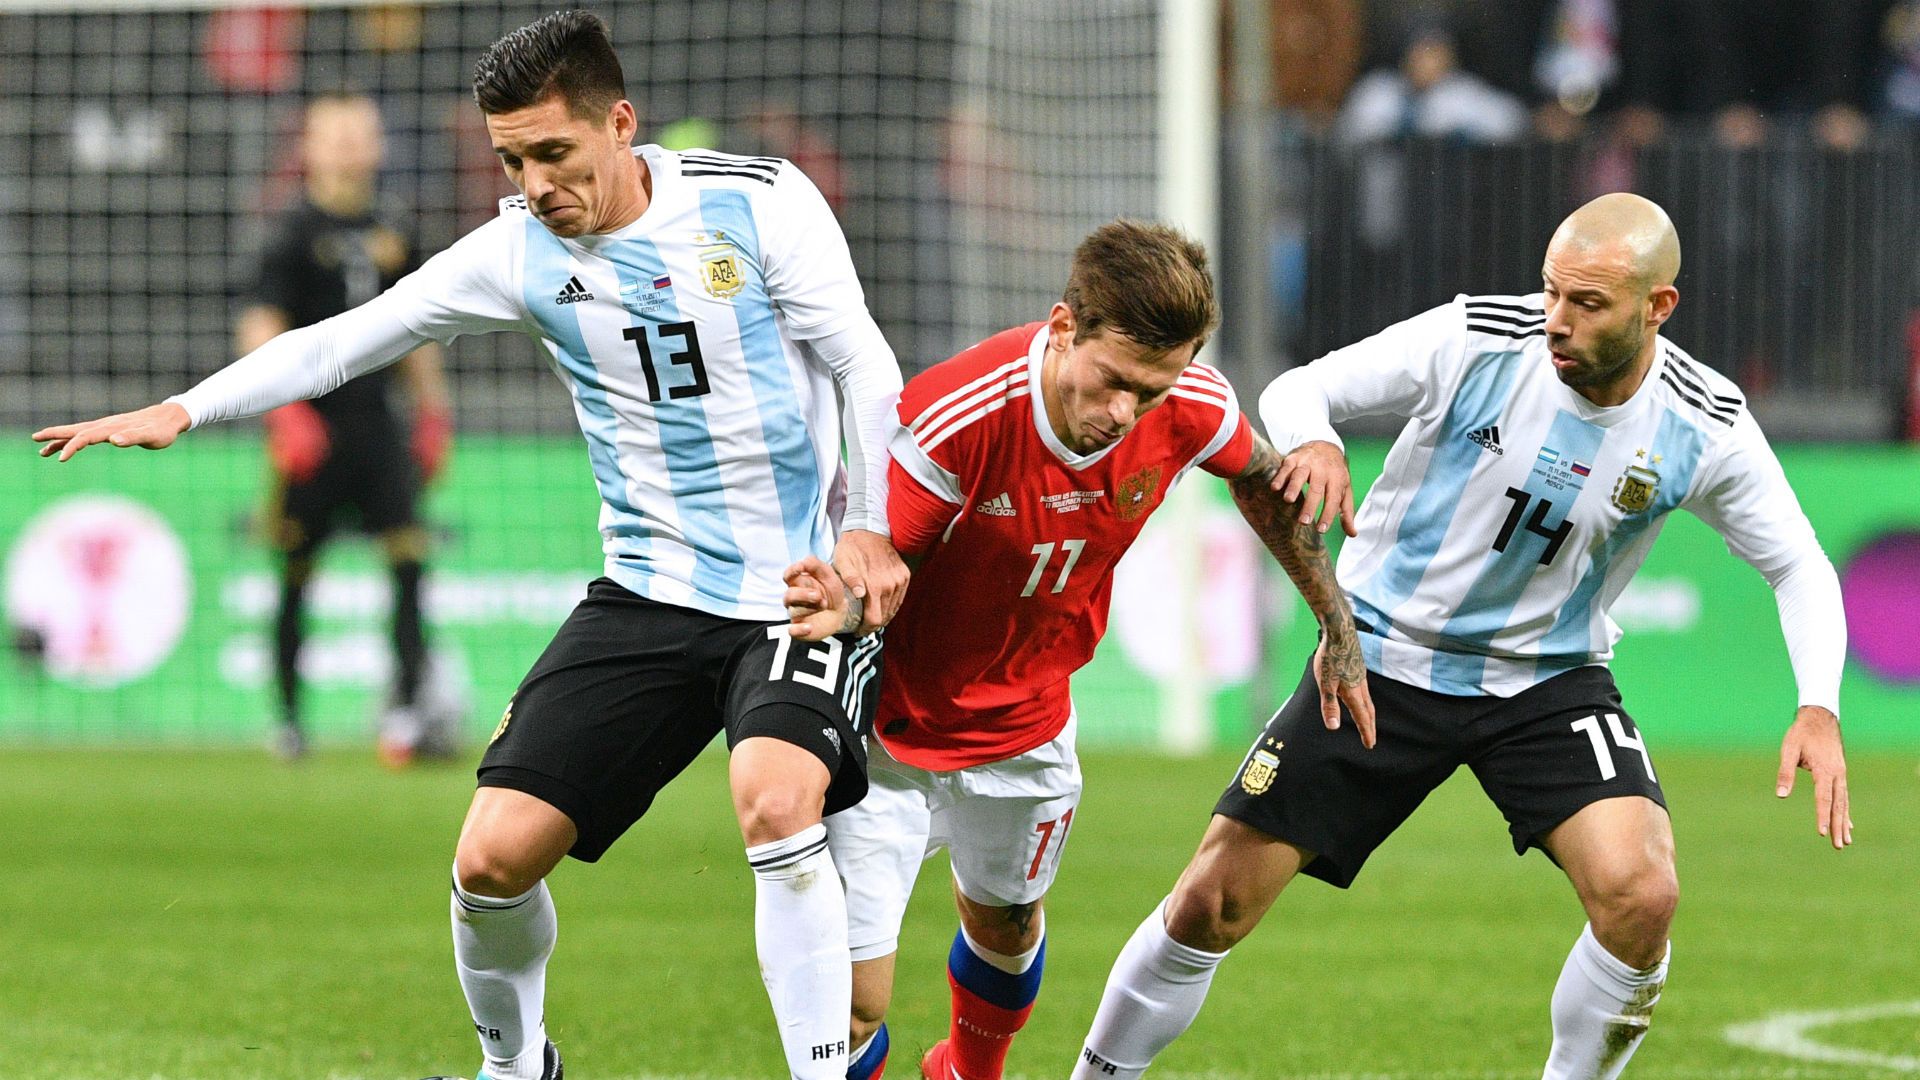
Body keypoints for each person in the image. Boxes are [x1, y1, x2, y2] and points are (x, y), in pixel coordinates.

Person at [34, 11, 908, 1080]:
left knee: (774, 800)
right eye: (510, 159)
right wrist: (187, 407)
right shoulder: (516, 251)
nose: (534, 184)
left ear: (620, 124)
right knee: (490, 861)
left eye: (554, 154)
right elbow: (347, 340)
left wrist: (867, 527)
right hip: (645, 592)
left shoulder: (755, 203)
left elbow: (865, 367)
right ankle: (516, 1066)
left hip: (798, 584)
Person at [1069, 193, 1852, 1080]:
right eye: (1552, 292)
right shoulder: (1476, 338)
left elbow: (1798, 564)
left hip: (1547, 682)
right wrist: (1316, 441)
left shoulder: (1701, 420)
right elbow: (1300, 387)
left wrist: (1818, 704)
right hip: (1379, 660)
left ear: (1657, 306)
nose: (1556, 320)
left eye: (1587, 304)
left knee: (1642, 894)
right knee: (1211, 902)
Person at [780, 220, 1373, 1080]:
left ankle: (963, 1075)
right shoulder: (959, 421)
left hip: (1026, 722)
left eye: (1153, 392)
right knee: (855, 1002)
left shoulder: (1191, 406)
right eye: (1112, 384)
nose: (1124, 414)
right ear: (1063, 330)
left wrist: (1338, 629)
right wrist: (841, 606)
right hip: (889, 732)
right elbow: (877, 563)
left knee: (1008, 931)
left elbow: (1260, 482)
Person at [238, 91, 455, 764]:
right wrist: (285, 413)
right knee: (297, 570)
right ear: (307, 146)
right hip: (315, 427)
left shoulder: (395, 227)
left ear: (378, 144)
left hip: (377, 424)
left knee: (411, 563)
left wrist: (433, 414)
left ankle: (409, 713)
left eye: (360, 133)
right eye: (334, 134)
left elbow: (417, 329)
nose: (348, 146)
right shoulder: (288, 232)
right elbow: (259, 326)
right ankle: (289, 720)